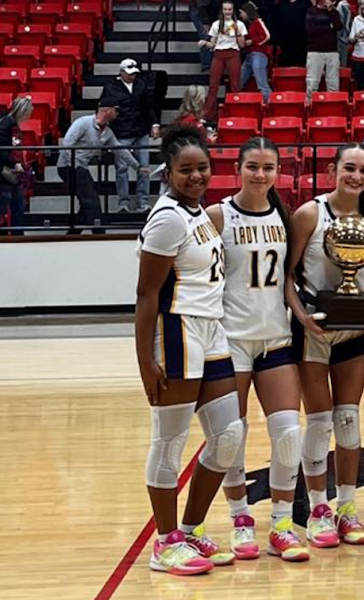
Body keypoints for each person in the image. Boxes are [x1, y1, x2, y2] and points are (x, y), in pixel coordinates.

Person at [135, 125, 241, 575]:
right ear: (168, 172)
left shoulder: (198, 212)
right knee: (171, 440)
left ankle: (192, 531)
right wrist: (146, 361)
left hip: (211, 329)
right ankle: (165, 541)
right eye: (186, 170)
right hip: (176, 331)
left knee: (229, 435)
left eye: (202, 168)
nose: (196, 176)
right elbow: (146, 295)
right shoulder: (168, 219)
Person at [204, 137, 309, 562]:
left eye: (268, 167)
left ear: (278, 172)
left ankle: (281, 523)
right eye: (252, 166)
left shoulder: (283, 217)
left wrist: (300, 314)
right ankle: (240, 520)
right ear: (237, 169)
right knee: (232, 437)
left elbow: (289, 276)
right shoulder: (217, 215)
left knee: (288, 435)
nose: (260, 174)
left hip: (276, 337)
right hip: (230, 340)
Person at [285, 144, 364, 546]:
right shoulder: (310, 214)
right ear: (333, 170)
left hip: (353, 332)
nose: (355, 177)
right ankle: (318, 507)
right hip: (313, 329)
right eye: (349, 168)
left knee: (348, 418)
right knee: (320, 420)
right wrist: (302, 315)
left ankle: (347, 508)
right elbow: (286, 276)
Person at [58, 97, 140, 233]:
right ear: (107, 110)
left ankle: (73, 233)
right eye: (116, 110)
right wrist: (74, 163)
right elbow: (67, 143)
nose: (118, 113)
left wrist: (136, 166)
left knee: (87, 199)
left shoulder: (107, 132)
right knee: (91, 198)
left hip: (80, 167)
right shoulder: (83, 123)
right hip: (68, 165)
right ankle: (98, 232)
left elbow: (119, 150)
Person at [101, 58, 160, 213]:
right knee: (121, 169)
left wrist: (154, 124)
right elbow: (105, 108)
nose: (132, 76)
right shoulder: (110, 87)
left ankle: (143, 202)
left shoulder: (141, 85)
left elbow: (149, 106)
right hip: (121, 132)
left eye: (134, 73)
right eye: (129, 73)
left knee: (144, 167)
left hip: (140, 131)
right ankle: (123, 202)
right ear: (121, 72)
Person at [200, 2, 246, 122]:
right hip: (218, 54)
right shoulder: (216, 24)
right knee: (213, 85)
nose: (227, 12)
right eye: (225, 9)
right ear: (222, 10)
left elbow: (242, 45)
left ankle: (237, 112)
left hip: (233, 53)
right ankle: (208, 114)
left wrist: (238, 32)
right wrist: (205, 43)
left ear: (233, 10)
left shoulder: (239, 24)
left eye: (229, 9)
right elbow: (212, 43)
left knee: (235, 85)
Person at [0, 97, 32, 232]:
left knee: (18, 206)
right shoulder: (6, 124)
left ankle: (18, 235)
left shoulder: (14, 125)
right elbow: (2, 150)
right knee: (5, 206)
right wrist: (14, 164)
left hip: (13, 172)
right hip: (4, 172)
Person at [306, 0, 344, 92]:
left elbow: (338, 26)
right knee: (312, 84)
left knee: (333, 85)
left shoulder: (334, 12)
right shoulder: (311, 11)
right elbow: (311, 30)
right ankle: (310, 105)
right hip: (315, 51)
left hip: (332, 52)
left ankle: (333, 105)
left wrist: (331, 11)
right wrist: (329, 27)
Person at [239, 2, 273, 103]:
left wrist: (252, 41)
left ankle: (269, 103)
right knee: (239, 82)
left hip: (259, 55)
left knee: (261, 83)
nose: (240, 15)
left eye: (241, 13)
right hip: (250, 55)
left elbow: (266, 36)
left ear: (247, 12)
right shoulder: (249, 25)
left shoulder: (258, 22)